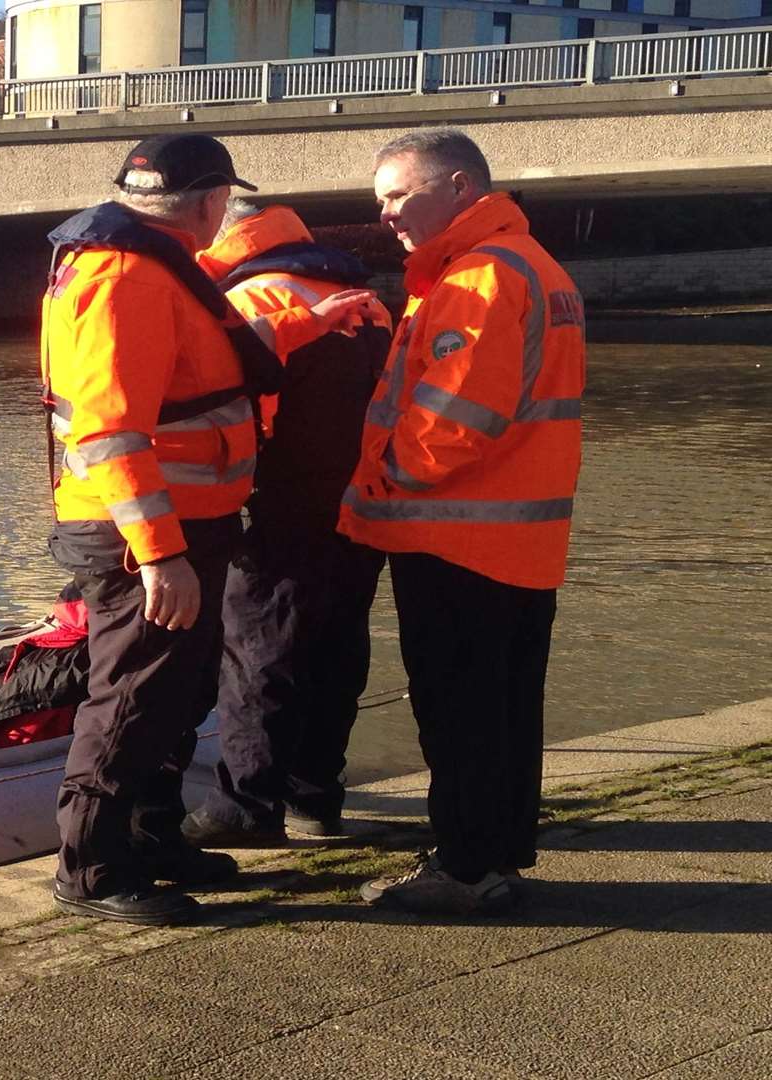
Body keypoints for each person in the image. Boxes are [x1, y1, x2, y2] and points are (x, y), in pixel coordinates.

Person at [38, 133, 376, 926]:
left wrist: (305, 320)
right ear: (206, 200)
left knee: (176, 695)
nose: (226, 212)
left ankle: (151, 839)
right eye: (225, 198)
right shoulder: (123, 275)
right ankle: (90, 872)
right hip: (145, 534)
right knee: (130, 701)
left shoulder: (155, 263)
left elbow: (209, 365)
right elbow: (106, 432)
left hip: (187, 523)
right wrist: (159, 556)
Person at [342, 129, 585, 915]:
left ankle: (466, 866)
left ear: (456, 186)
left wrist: (382, 482)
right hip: (520, 538)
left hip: (453, 536)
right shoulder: (533, 267)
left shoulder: (475, 280)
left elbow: (452, 421)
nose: (385, 215)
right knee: (507, 707)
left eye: (397, 195)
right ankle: (498, 851)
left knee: (458, 710)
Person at [181, 199, 393, 847]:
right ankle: (316, 797)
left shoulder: (252, 298)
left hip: (279, 501)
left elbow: (225, 407)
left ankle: (245, 806)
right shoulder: (366, 298)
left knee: (258, 651)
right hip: (362, 501)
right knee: (337, 645)